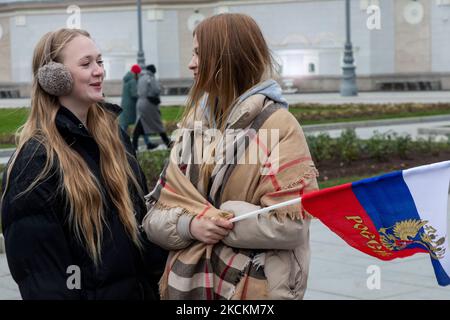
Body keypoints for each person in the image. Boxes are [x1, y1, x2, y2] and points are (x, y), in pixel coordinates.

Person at [141, 13, 319, 300]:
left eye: (199, 53)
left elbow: (291, 226)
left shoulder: (279, 125)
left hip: (255, 293)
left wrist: (221, 219)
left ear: (226, 58)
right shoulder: (194, 127)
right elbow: (154, 217)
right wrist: (191, 225)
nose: (191, 63)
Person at [0, 28, 166, 300]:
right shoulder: (35, 164)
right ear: (53, 77)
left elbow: (139, 231)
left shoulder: (115, 138)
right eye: (86, 63)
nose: (99, 71)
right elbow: (45, 280)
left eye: (99, 61)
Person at [133, 64, 172, 151]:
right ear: (153, 71)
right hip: (148, 104)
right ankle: (167, 143)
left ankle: (134, 145)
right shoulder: (151, 78)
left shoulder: (141, 77)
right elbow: (156, 90)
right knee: (157, 122)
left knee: (142, 123)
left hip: (140, 103)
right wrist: (160, 87)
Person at [119, 64, 141, 134]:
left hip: (125, 105)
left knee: (124, 124)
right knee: (137, 124)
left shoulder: (127, 79)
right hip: (131, 106)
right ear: (136, 73)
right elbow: (134, 94)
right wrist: (141, 96)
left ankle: (120, 141)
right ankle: (120, 141)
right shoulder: (133, 81)